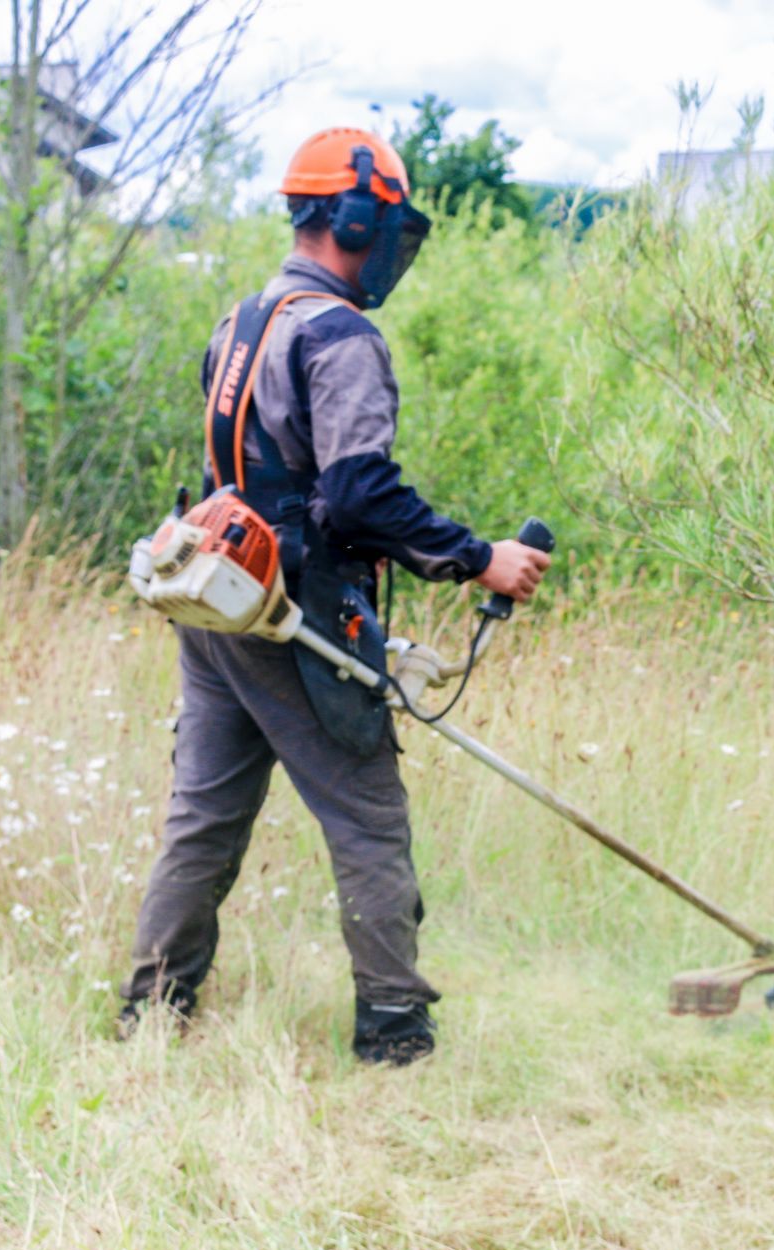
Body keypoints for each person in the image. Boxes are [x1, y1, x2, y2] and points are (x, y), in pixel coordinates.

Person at [119, 127, 551, 1064]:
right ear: (355, 218)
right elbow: (359, 493)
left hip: (217, 602)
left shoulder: (243, 319)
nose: (392, 241)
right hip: (298, 610)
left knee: (202, 819)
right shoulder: (340, 336)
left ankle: (154, 1010)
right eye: (387, 221)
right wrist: (480, 559)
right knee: (367, 817)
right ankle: (396, 1031)